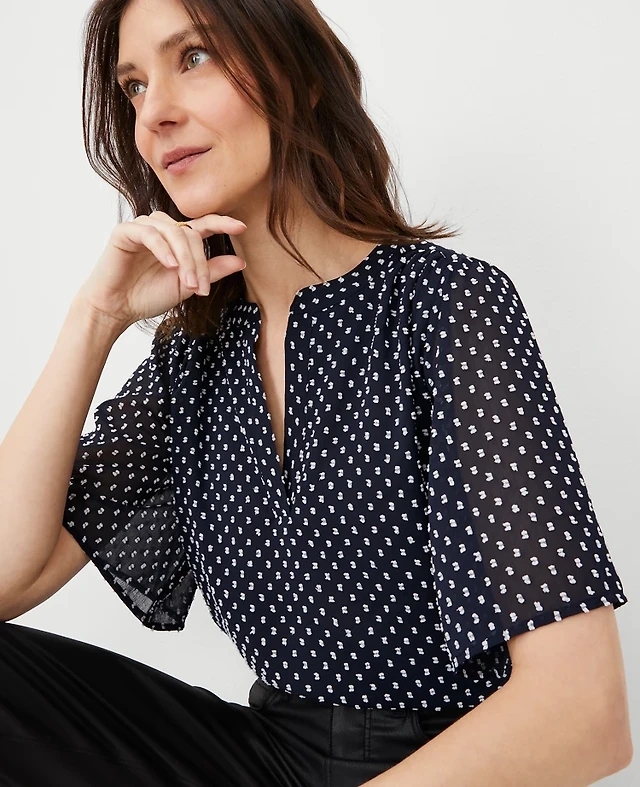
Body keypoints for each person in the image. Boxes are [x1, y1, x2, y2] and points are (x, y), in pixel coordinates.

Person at [0, 0, 631, 785]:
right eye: (134, 86)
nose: (154, 113)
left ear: (295, 77)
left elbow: (582, 711)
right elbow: (9, 575)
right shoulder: (194, 356)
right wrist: (95, 318)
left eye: (193, 57)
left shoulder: (441, 306)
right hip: (268, 754)